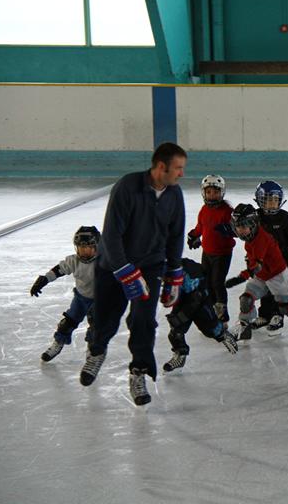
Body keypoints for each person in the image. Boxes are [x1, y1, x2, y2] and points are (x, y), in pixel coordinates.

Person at [79, 142, 187, 406]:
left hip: (150, 266)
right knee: (105, 318)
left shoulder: (174, 195)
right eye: (178, 168)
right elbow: (111, 234)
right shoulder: (128, 187)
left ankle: (139, 371)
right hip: (113, 266)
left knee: (143, 320)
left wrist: (174, 274)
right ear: (161, 167)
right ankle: (96, 351)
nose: (181, 174)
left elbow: (175, 235)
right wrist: (125, 271)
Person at [224, 204, 288, 345]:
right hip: (262, 276)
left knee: (284, 306)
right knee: (246, 299)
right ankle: (244, 329)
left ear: (253, 224)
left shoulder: (262, 239)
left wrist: (240, 278)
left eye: (244, 226)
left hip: (277, 276)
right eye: (238, 226)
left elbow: (257, 267)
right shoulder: (250, 238)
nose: (240, 231)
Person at [249, 180, 288, 336]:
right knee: (265, 289)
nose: (272, 204)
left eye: (275, 200)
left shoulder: (284, 217)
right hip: (264, 262)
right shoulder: (255, 217)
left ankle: (278, 316)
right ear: (260, 200)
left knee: (280, 291)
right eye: (268, 200)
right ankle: (265, 315)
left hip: (284, 262)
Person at [30, 226, 100, 362]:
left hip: (101, 300)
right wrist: (44, 280)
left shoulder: (104, 261)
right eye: (81, 248)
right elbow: (58, 270)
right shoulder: (74, 261)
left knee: (96, 327)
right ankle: (58, 342)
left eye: (88, 248)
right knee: (67, 323)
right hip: (81, 299)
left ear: (97, 247)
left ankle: (93, 351)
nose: (84, 252)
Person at [161, 258, 238, 372]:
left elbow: (195, 300)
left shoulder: (188, 276)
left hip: (199, 299)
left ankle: (222, 335)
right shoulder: (161, 268)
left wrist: (181, 317)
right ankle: (180, 354)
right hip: (183, 296)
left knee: (211, 329)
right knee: (176, 331)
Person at [187, 174, 235, 321]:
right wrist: (194, 235)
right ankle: (213, 309)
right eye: (209, 192)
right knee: (207, 282)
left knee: (217, 282)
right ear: (204, 193)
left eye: (216, 192)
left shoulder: (227, 211)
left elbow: (239, 230)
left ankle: (222, 314)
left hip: (222, 254)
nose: (212, 195)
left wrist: (229, 230)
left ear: (222, 192)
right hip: (207, 253)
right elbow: (201, 226)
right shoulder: (204, 210)